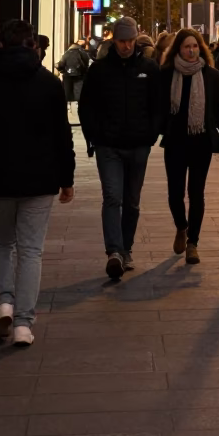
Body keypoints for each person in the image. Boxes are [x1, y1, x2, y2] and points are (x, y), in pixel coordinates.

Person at [0, 19, 74, 346]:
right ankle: (23, 323)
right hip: (39, 179)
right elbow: (63, 136)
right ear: (33, 46)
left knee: (1, 243)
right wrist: (67, 178)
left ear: (0, 46)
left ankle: (3, 301)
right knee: (31, 250)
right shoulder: (48, 83)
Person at [79, 15, 161, 279]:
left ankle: (126, 249)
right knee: (113, 197)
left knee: (132, 202)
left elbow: (156, 105)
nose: (126, 46)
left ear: (136, 39)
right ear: (114, 40)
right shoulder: (100, 70)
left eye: (130, 40)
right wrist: (95, 135)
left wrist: (151, 133)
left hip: (138, 144)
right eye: (122, 40)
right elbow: (87, 106)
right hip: (109, 146)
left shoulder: (148, 68)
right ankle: (114, 251)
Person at [159, 29, 219, 264]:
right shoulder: (168, 73)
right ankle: (181, 226)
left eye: (195, 46)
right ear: (178, 49)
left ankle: (193, 242)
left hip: (201, 142)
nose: (191, 51)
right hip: (176, 142)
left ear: (201, 48)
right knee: (175, 193)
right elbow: (158, 104)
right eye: (187, 47)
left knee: (196, 192)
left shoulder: (211, 75)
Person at [56, 39, 91, 104]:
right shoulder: (82, 52)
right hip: (79, 74)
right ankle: (77, 103)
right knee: (78, 91)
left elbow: (61, 64)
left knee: (67, 90)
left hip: (67, 75)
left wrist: (61, 69)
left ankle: (68, 104)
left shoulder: (67, 53)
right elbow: (86, 62)